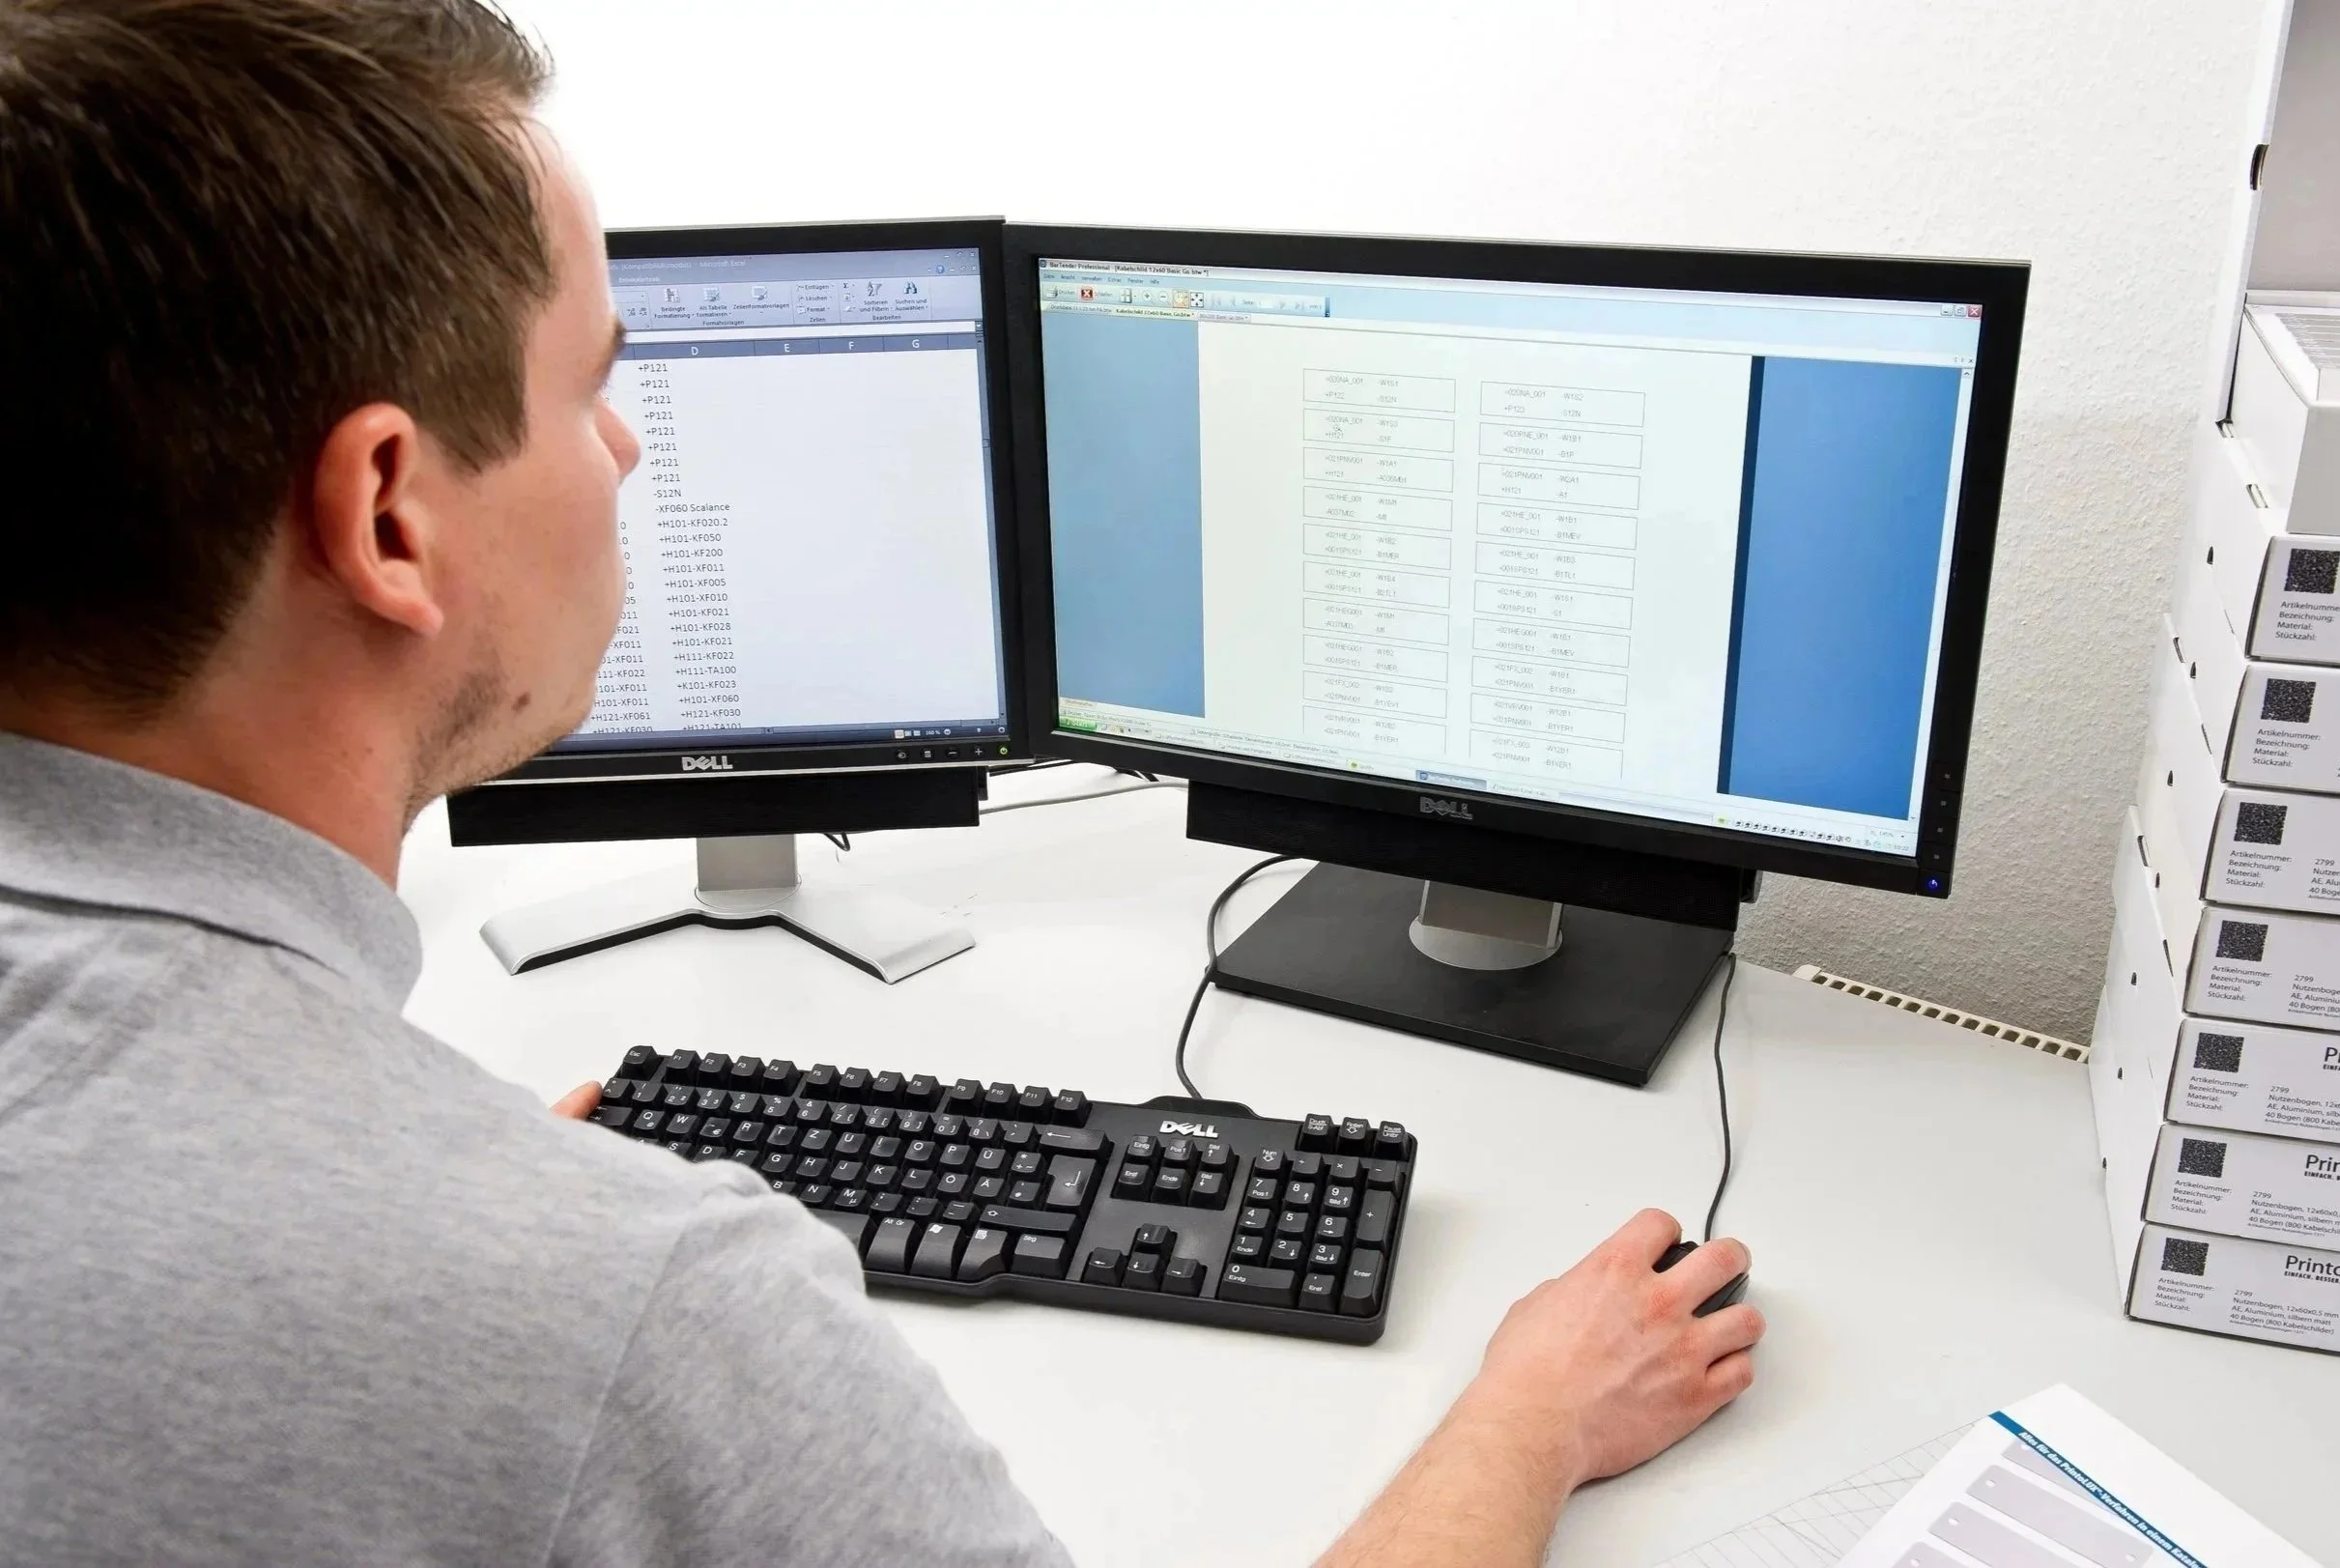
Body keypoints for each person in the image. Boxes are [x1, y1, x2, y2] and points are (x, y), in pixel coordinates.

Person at [0, 1, 1767, 1562]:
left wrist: (448, 1214)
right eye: (592, 384)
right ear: (391, 512)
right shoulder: (631, 1304)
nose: (623, 448)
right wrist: (1529, 1419)